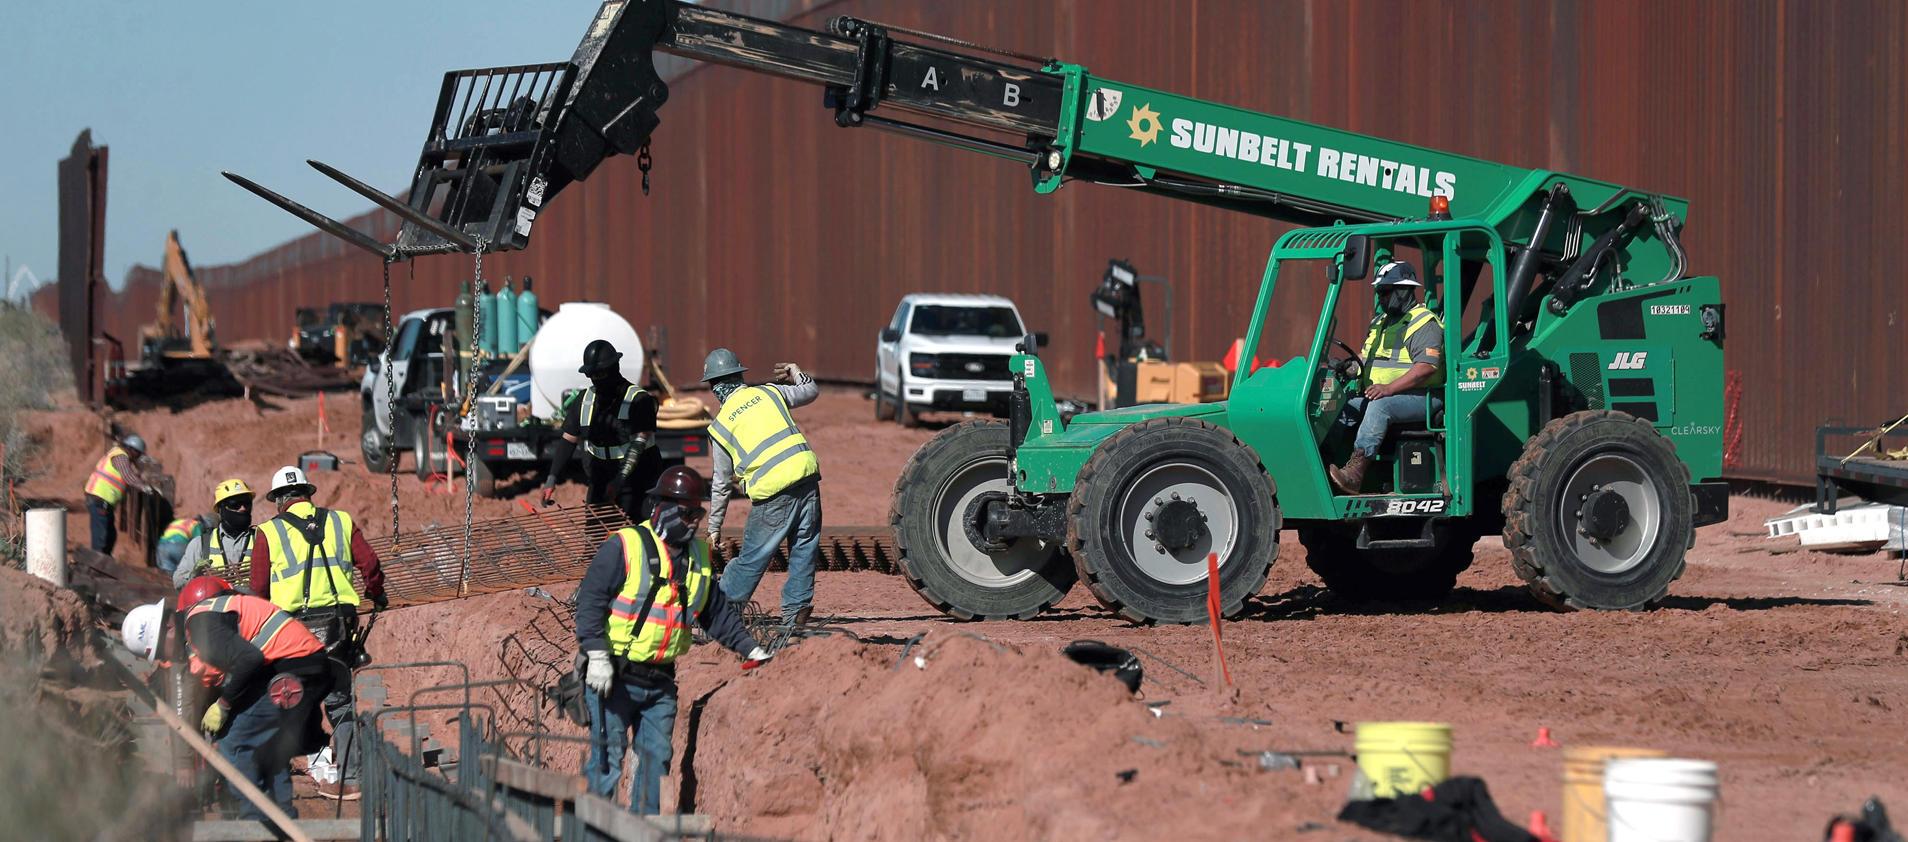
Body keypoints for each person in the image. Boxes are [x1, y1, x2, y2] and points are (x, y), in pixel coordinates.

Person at [573, 465, 771, 815]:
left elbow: (715, 613)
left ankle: (644, 832)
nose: (694, 521)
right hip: (614, 678)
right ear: (662, 508)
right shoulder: (625, 546)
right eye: (687, 513)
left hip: (660, 682)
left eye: (698, 512)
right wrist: (596, 654)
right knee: (606, 763)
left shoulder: (698, 557)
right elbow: (590, 601)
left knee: (656, 763)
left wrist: (749, 647)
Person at [120, 590, 333, 820]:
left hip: (295, 666)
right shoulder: (194, 629)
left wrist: (224, 704)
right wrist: (185, 758)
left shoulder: (201, 629)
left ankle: (255, 828)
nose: (165, 658)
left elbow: (250, 660)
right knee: (269, 749)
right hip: (290, 666)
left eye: (161, 651)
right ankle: (282, 825)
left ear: (169, 628)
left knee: (235, 742)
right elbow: (187, 703)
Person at [251, 465, 387, 796]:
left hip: (291, 633)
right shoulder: (340, 521)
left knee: (287, 698)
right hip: (337, 626)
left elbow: (258, 588)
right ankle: (352, 778)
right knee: (340, 702)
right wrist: (376, 592)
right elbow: (369, 563)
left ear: (279, 501)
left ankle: (277, 776)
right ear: (307, 494)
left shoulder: (268, 532)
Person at [700, 349, 822, 627]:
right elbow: (810, 390)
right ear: (740, 375)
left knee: (752, 557)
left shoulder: (720, 426)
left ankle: (719, 612)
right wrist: (795, 371)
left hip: (773, 491)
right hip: (805, 476)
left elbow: (721, 483)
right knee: (804, 547)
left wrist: (714, 527)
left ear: (713, 386)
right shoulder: (770, 392)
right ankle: (796, 612)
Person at [1329, 260, 1446, 493]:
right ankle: (1325, 462)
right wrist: (1350, 367)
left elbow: (1426, 367)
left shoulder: (1424, 322)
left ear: (1403, 291)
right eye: (1378, 292)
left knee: (1380, 407)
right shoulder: (1380, 322)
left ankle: (1355, 472)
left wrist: (1389, 388)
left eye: (1385, 292)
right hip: (1386, 394)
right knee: (1338, 406)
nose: (1380, 298)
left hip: (1423, 396)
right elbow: (1368, 356)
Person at [542, 339, 662, 525]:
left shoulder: (639, 400)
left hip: (638, 481)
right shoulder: (584, 400)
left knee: (640, 535)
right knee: (596, 539)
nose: (597, 379)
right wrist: (552, 478)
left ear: (615, 367)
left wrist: (619, 480)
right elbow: (568, 440)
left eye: (601, 373)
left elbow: (639, 444)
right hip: (600, 480)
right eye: (592, 374)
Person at [173, 479, 259, 589]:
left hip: (250, 604)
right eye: (235, 504)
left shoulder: (261, 539)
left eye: (247, 503)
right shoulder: (201, 544)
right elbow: (178, 582)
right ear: (221, 509)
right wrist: (193, 578)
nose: (243, 508)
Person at [83, 433, 154, 554]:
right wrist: (144, 487)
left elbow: (133, 473)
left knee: (110, 536)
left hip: (104, 500)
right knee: (101, 537)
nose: (139, 457)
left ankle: (103, 564)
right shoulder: (120, 456)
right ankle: (96, 566)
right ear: (132, 450)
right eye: (138, 454)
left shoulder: (122, 455)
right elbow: (128, 476)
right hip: (100, 498)